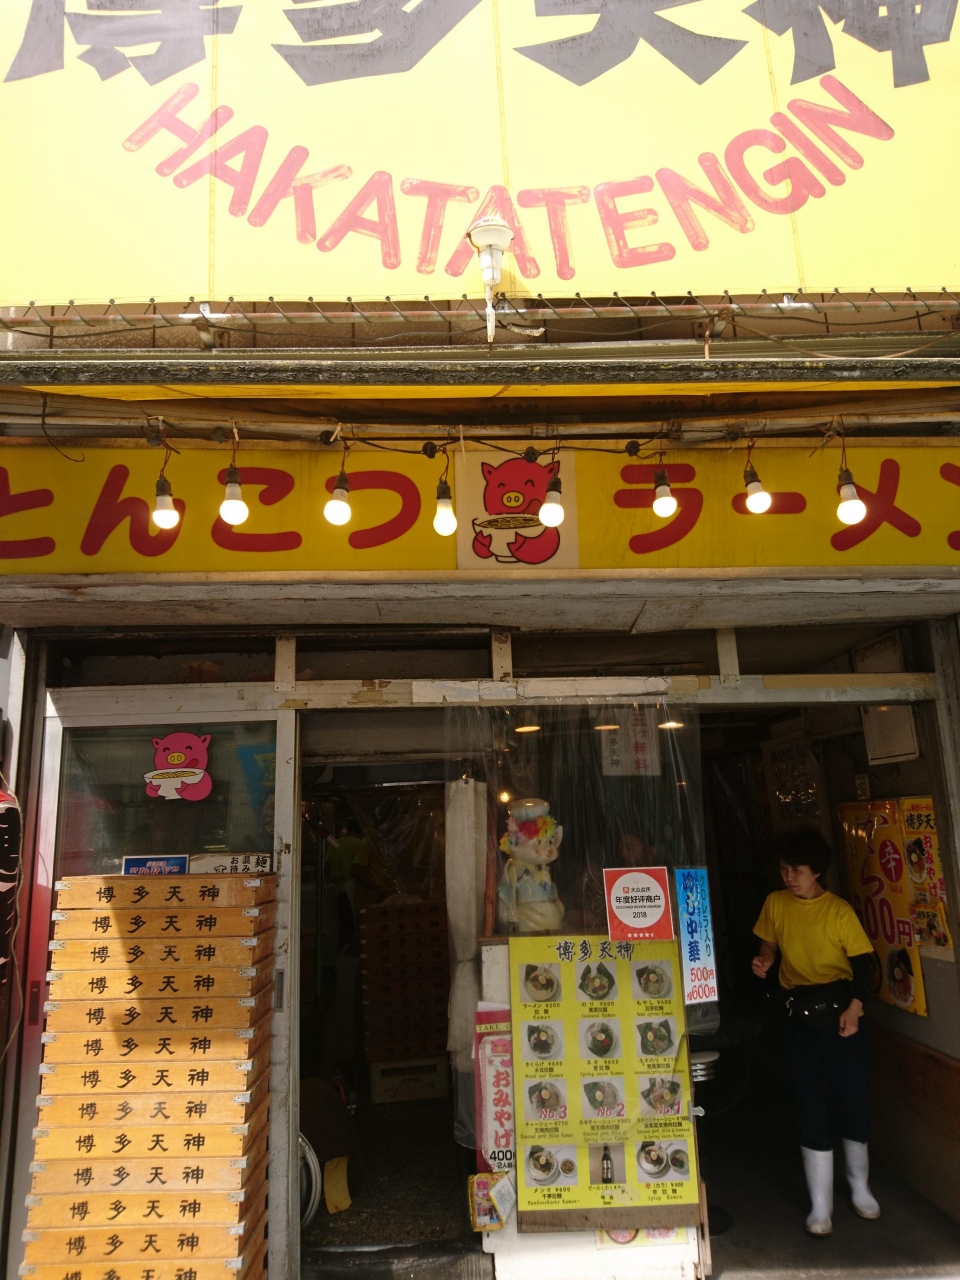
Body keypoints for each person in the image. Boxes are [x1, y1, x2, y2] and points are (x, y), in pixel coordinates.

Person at [751, 826, 880, 1236]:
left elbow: (864, 966)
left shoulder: (838, 911)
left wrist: (855, 1009)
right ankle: (820, 1204)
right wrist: (764, 958)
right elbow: (769, 943)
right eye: (784, 870)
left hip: (842, 1014)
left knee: (851, 1099)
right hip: (798, 1016)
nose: (790, 878)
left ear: (817, 871)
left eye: (798, 871)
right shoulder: (775, 903)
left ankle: (859, 1186)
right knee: (808, 1103)